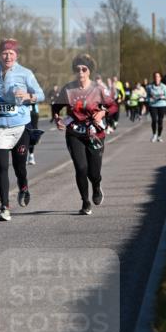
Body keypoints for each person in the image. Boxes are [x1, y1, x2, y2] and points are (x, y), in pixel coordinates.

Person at [0, 38, 44, 221]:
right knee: (2, 167)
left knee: (20, 166)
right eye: (4, 53)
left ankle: (23, 187)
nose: (8, 56)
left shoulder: (25, 73)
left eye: (11, 53)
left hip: (20, 127)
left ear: (16, 55)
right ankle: (4, 206)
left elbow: (41, 94)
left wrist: (29, 96)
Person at [53, 54, 118, 215]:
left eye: (84, 69)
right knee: (81, 168)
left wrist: (103, 113)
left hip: (95, 134)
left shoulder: (98, 89)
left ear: (89, 71)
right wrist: (57, 118)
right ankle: (85, 202)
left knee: (94, 172)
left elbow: (114, 106)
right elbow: (56, 107)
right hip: (74, 132)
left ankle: (96, 186)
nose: (80, 72)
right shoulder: (68, 89)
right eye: (77, 69)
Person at [146, 71, 166, 142]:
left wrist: (162, 97)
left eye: (158, 76)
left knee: (160, 121)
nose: (156, 78)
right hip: (153, 105)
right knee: (154, 120)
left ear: (160, 78)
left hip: (162, 105)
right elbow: (147, 97)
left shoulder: (163, 86)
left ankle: (159, 136)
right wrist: (150, 99)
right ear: (153, 78)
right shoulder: (149, 87)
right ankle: (154, 135)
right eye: (155, 76)